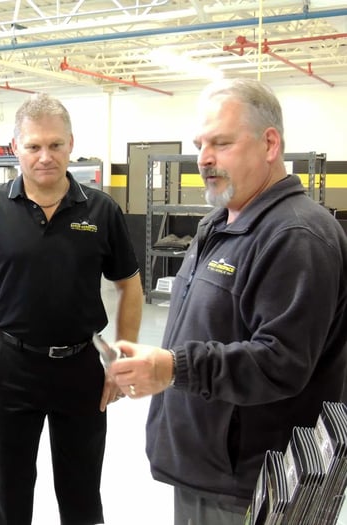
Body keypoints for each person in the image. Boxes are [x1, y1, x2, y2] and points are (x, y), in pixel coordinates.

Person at [109, 78, 347, 525]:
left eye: (221, 142)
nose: (204, 158)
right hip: (207, 470)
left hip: (252, 485)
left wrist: (173, 368)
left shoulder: (296, 236)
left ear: (269, 143)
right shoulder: (220, 223)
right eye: (200, 144)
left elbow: (282, 361)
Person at [0, 92, 143, 525]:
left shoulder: (101, 209)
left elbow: (130, 287)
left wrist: (121, 360)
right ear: (15, 148)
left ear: (71, 144)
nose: (45, 156)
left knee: (81, 490)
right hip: (11, 366)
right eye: (33, 146)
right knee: (8, 490)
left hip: (81, 367)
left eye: (55, 145)